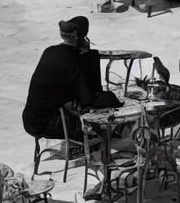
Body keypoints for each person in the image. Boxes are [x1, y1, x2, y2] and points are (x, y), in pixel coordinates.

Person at [21, 15, 117, 143]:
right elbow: (88, 97)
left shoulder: (49, 51)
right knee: (101, 126)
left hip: (30, 119)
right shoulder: (72, 60)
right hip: (47, 123)